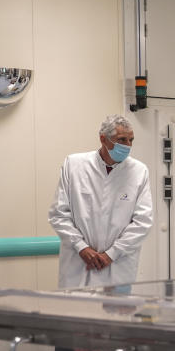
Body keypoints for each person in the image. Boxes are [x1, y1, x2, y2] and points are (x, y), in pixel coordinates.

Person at [49, 114, 154, 289]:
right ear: (103, 139)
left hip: (117, 265)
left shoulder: (139, 171)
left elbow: (143, 222)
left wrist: (111, 254)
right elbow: (59, 214)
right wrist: (81, 247)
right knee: (74, 313)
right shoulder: (74, 165)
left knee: (115, 314)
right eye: (121, 140)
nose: (127, 146)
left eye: (131, 140)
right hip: (78, 264)